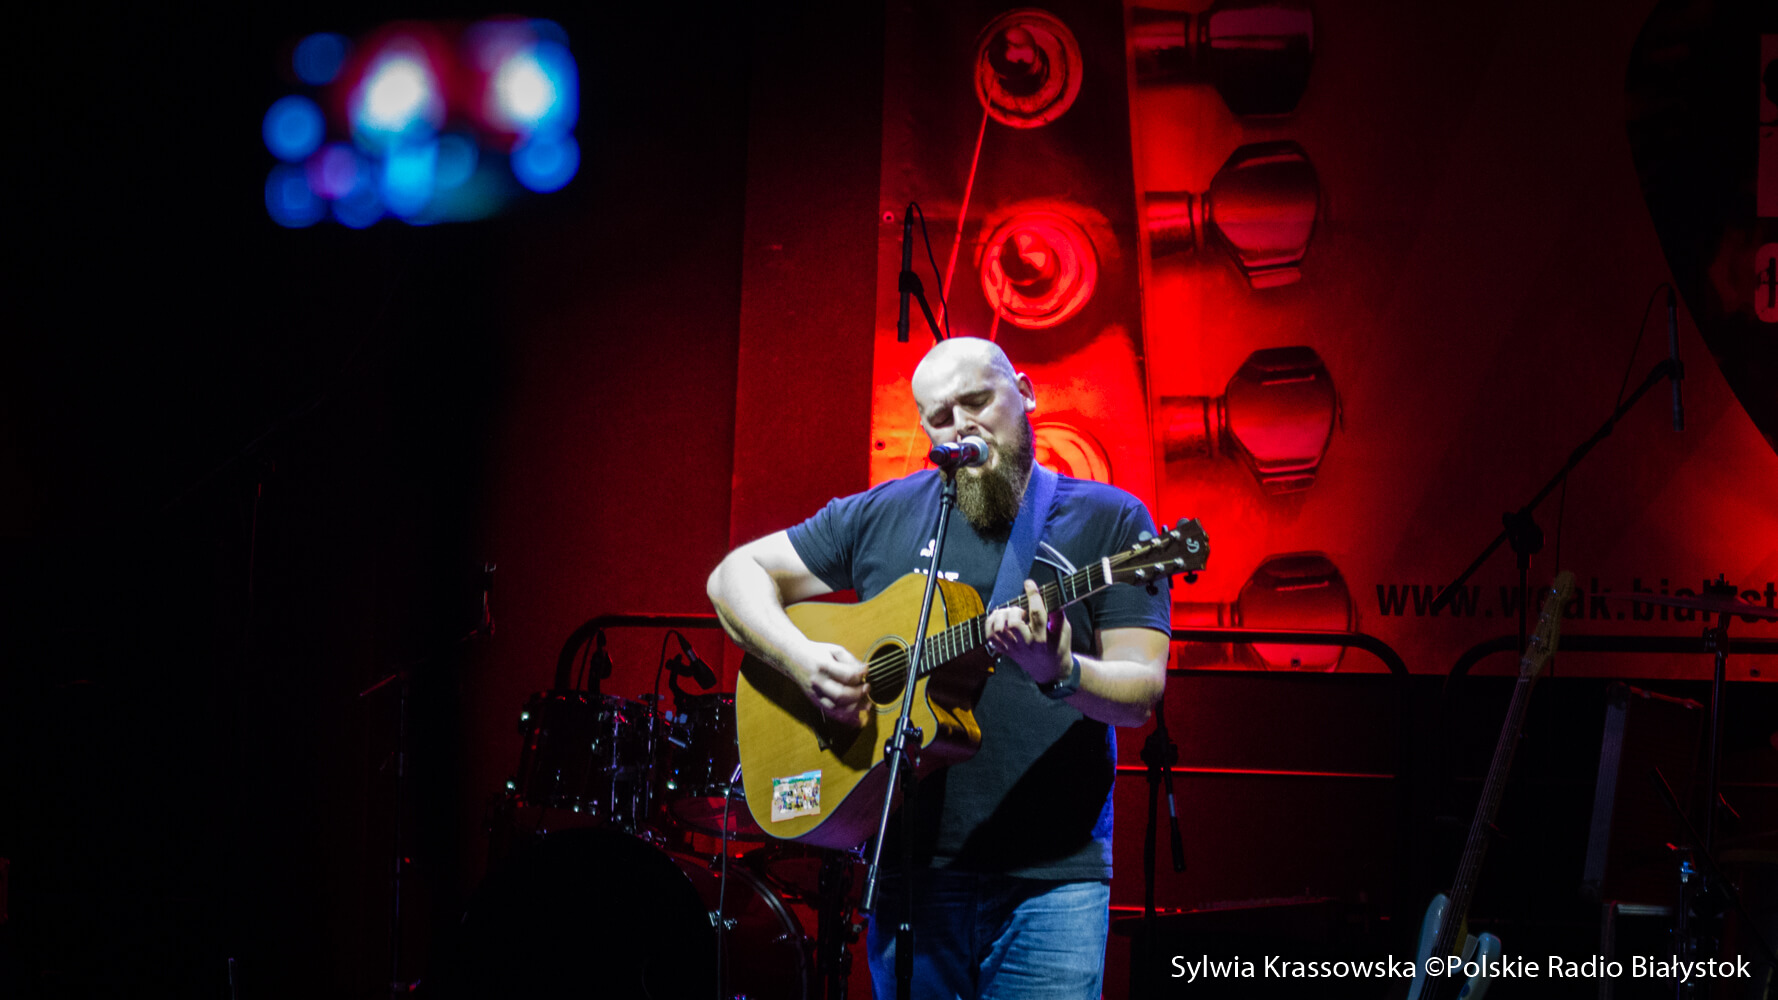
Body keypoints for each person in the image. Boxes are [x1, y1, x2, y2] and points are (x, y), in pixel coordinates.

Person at [706, 337, 1172, 999]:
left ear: (1026, 393)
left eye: (978, 401)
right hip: (910, 873)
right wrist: (802, 658)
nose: (963, 426)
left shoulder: (1111, 521)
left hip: (1050, 881)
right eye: (941, 416)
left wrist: (1060, 669)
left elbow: (1140, 690)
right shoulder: (882, 513)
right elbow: (734, 578)